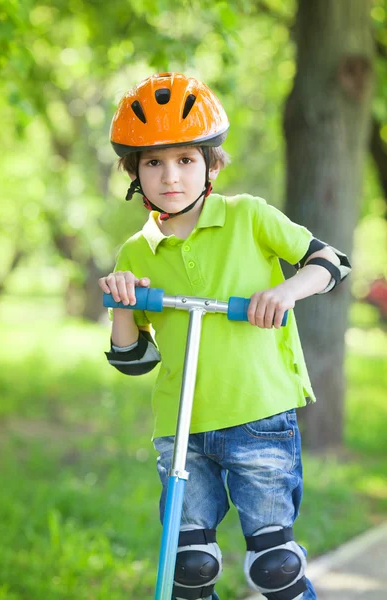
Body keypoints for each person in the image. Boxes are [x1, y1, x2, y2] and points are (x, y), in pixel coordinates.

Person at [99, 73, 351, 600]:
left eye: (186, 159)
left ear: (212, 164)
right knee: (188, 568)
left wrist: (286, 292)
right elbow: (131, 359)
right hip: (181, 427)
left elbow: (330, 261)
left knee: (275, 565)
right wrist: (123, 303)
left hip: (259, 416)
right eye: (154, 162)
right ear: (133, 172)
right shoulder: (136, 253)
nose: (171, 176)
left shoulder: (248, 216)